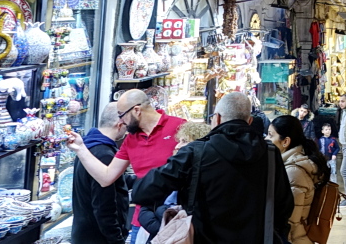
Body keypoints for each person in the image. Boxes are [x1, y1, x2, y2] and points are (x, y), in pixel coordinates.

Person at [131, 92, 295, 244]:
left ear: (217, 118)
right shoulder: (271, 154)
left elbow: (143, 192)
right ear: (250, 121)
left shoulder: (196, 152)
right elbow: (284, 205)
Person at [67, 90, 186, 244]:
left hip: (175, 221)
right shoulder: (130, 140)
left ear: (136, 110)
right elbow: (106, 177)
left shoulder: (179, 126)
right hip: (143, 222)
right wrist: (80, 148)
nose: (121, 121)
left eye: (122, 115)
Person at [136, 121, 212, 242]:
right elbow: (144, 211)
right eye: (179, 141)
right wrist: (166, 230)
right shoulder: (170, 171)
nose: (177, 146)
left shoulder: (204, 180)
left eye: (184, 141)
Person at [269, 115, 331, 244]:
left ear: (285, 141)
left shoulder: (293, 171)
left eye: (270, 135)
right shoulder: (295, 162)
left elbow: (291, 220)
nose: (266, 139)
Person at [71, 104, 128, 244]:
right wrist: (117, 240)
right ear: (119, 125)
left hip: (84, 232)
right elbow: (104, 208)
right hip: (98, 237)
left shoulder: (87, 145)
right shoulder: (104, 155)